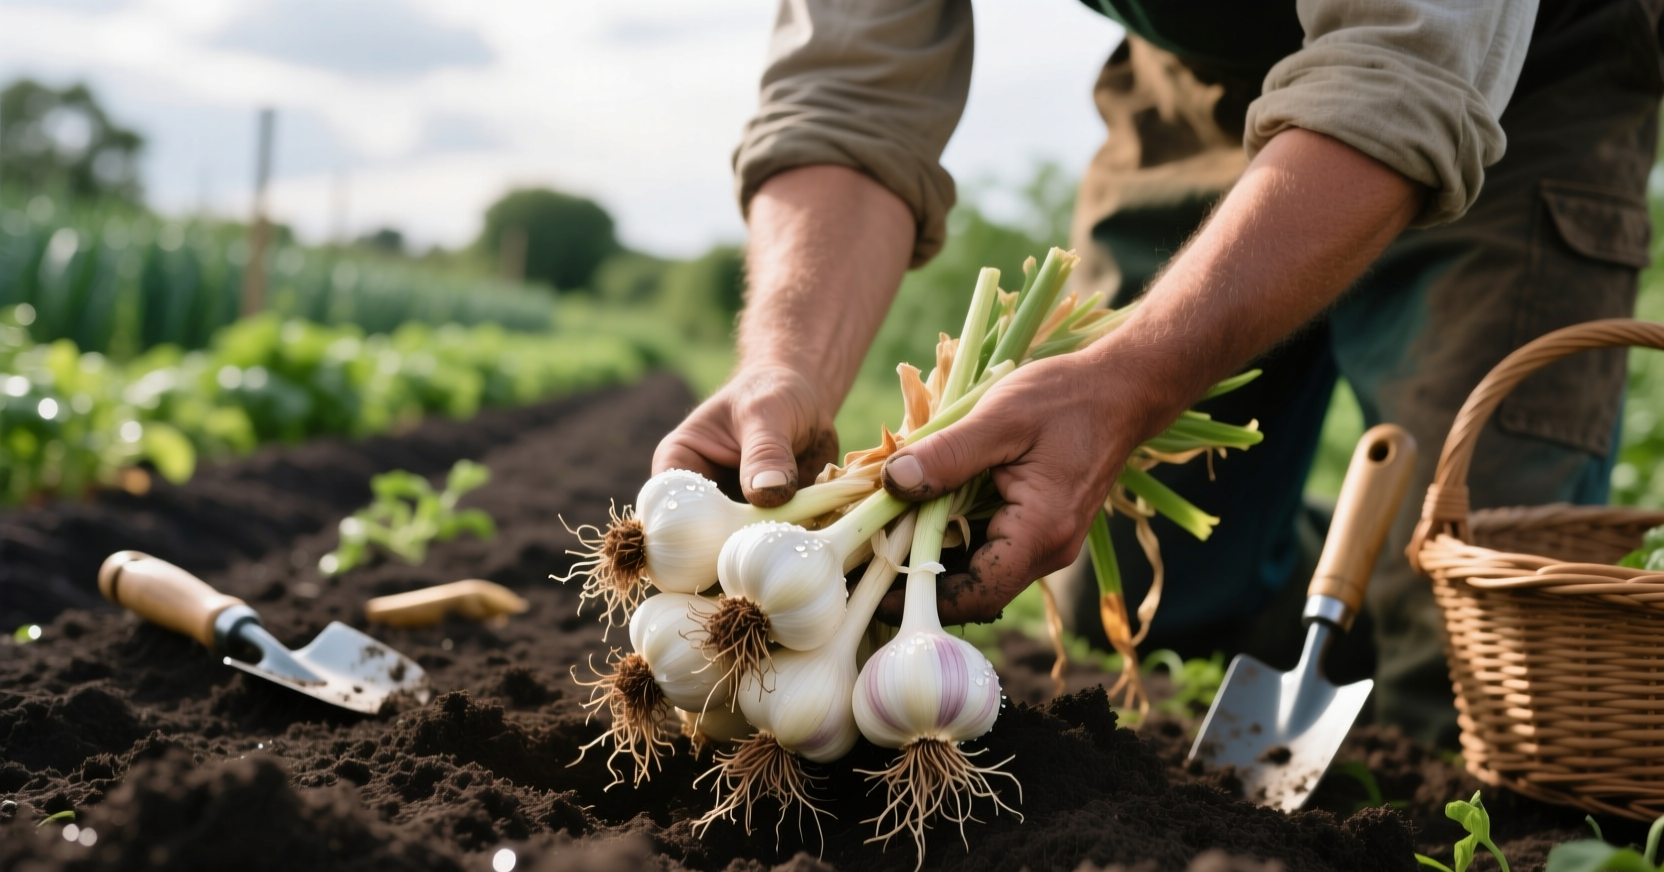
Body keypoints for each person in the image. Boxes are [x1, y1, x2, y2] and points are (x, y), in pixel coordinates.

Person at [653, 0, 1664, 745]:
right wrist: (785, 360)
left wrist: (1130, 379)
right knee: (1128, 582)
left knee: (1478, 655)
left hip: (1518, 74)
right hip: (1196, 72)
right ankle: (1336, 588)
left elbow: (1400, 71)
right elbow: (846, 86)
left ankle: (1405, 625)